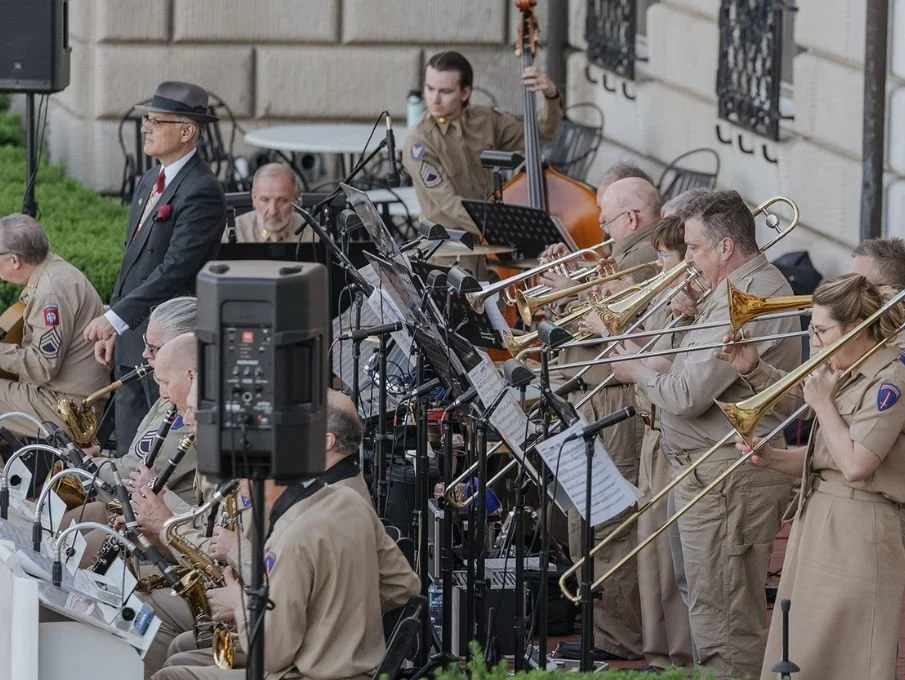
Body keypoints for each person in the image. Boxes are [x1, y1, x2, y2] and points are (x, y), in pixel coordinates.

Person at [611, 190, 801, 679]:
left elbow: (686, 395)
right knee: (705, 603)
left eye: (693, 248)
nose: (686, 259)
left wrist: (636, 371)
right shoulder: (728, 291)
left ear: (725, 247)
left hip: (726, 477)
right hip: (703, 471)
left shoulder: (749, 299)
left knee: (725, 618)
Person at [151, 381, 419, 679]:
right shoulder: (346, 502)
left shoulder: (292, 535)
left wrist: (239, 605)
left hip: (306, 672)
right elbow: (404, 586)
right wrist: (328, 619)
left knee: (169, 676)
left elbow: (273, 655)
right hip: (359, 669)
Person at [737, 274, 905, 680]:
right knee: (798, 654)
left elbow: (856, 465)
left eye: (822, 330)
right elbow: (827, 458)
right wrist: (774, 458)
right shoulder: (846, 368)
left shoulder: (891, 379)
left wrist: (824, 405)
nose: (815, 340)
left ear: (857, 327)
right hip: (819, 516)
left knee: (846, 657)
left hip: (860, 529)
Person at [540, 177, 663, 662]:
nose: (603, 228)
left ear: (629, 219)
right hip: (601, 396)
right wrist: (571, 287)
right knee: (591, 520)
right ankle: (605, 627)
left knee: (608, 522)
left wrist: (568, 293)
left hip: (614, 400)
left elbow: (605, 336)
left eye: (606, 220)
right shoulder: (630, 253)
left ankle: (617, 635)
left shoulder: (641, 257)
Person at [84, 81, 226, 457]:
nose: (145, 127)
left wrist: (116, 318)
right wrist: (118, 324)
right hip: (135, 336)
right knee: (129, 447)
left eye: (155, 121)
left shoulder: (202, 190)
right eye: (146, 118)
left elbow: (176, 269)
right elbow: (132, 262)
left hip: (168, 343)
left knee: (154, 450)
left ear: (187, 130)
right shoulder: (150, 179)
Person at [624, 215, 694, 672]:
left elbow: (675, 370)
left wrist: (634, 357)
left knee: (674, 563)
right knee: (650, 553)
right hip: (652, 426)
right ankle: (657, 654)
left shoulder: (696, 299)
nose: (660, 265)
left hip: (675, 433)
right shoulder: (673, 296)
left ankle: (681, 659)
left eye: (665, 256)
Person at [402, 50, 563, 235]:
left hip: (493, 247)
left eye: (445, 91)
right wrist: (502, 231)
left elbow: (541, 133)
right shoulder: (419, 141)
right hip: (448, 248)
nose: (434, 99)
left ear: (465, 92)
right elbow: (449, 203)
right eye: (430, 89)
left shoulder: (486, 119)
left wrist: (551, 95)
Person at [0, 213, 107, 438]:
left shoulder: (51, 292)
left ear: (14, 260)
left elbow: (42, 367)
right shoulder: (52, 269)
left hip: (68, 408)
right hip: (64, 398)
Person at [223, 163, 315, 244]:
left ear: (296, 198)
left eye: (282, 200)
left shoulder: (312, 235)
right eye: (265, 200)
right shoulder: (235, 232)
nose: (273, 211)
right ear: (253, 198)